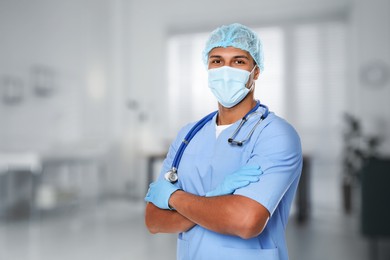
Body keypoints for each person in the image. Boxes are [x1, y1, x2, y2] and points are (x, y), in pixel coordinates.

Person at [144, 23, 302, 260]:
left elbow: (246, 221)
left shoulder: (276, 134)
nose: (225, 70)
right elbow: (154, 220)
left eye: (238, 61)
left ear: (255, 71)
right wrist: (214, 201)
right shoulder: (189, 135)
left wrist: (173, 197)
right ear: (207, 67)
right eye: (217, 61)